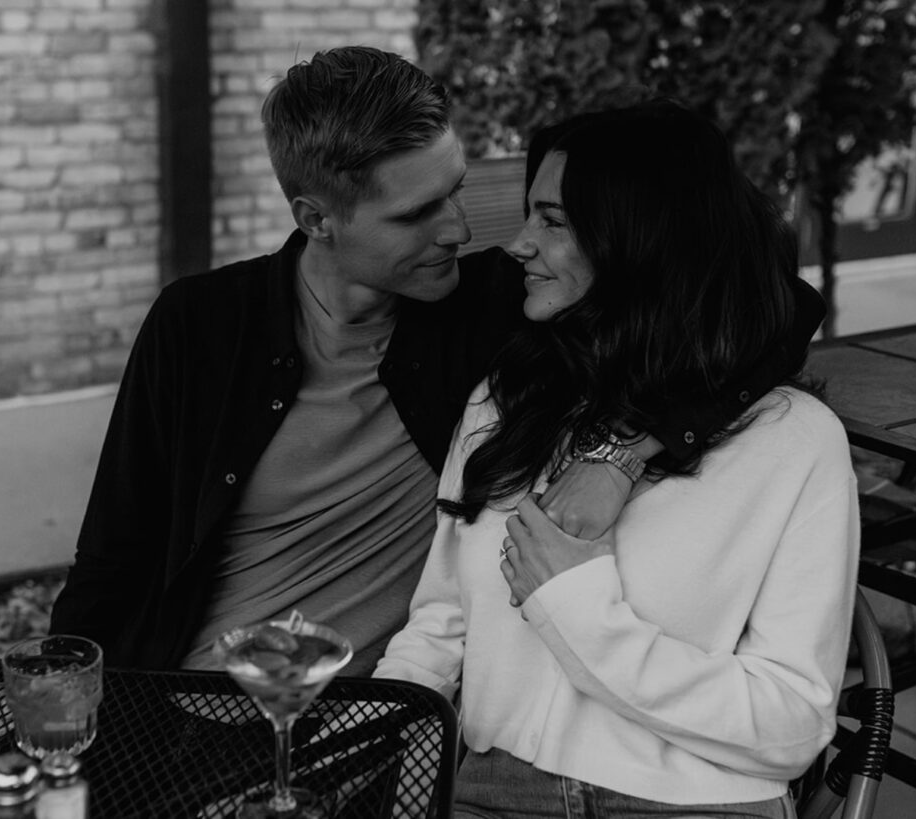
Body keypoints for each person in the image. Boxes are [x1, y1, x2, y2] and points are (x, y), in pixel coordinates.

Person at [50, 47, 825, 677]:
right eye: (417, 213)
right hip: (185, 704)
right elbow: (113, 559)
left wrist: (628, 450)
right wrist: (61, 718)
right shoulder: (199, 325)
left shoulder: (498, 310)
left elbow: (775, 310)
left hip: (378, 727)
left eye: (454, 190)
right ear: (317, 219)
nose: (459, 227)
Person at [375, 100, 859, 817]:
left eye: (554, 221)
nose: (519, 244)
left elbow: (792, 721)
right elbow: (439, 625)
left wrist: (576, 606)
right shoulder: (504, 401)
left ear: (640, 240)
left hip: (689, 803)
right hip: (491, 790)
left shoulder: (793, 439)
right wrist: (372, 757)